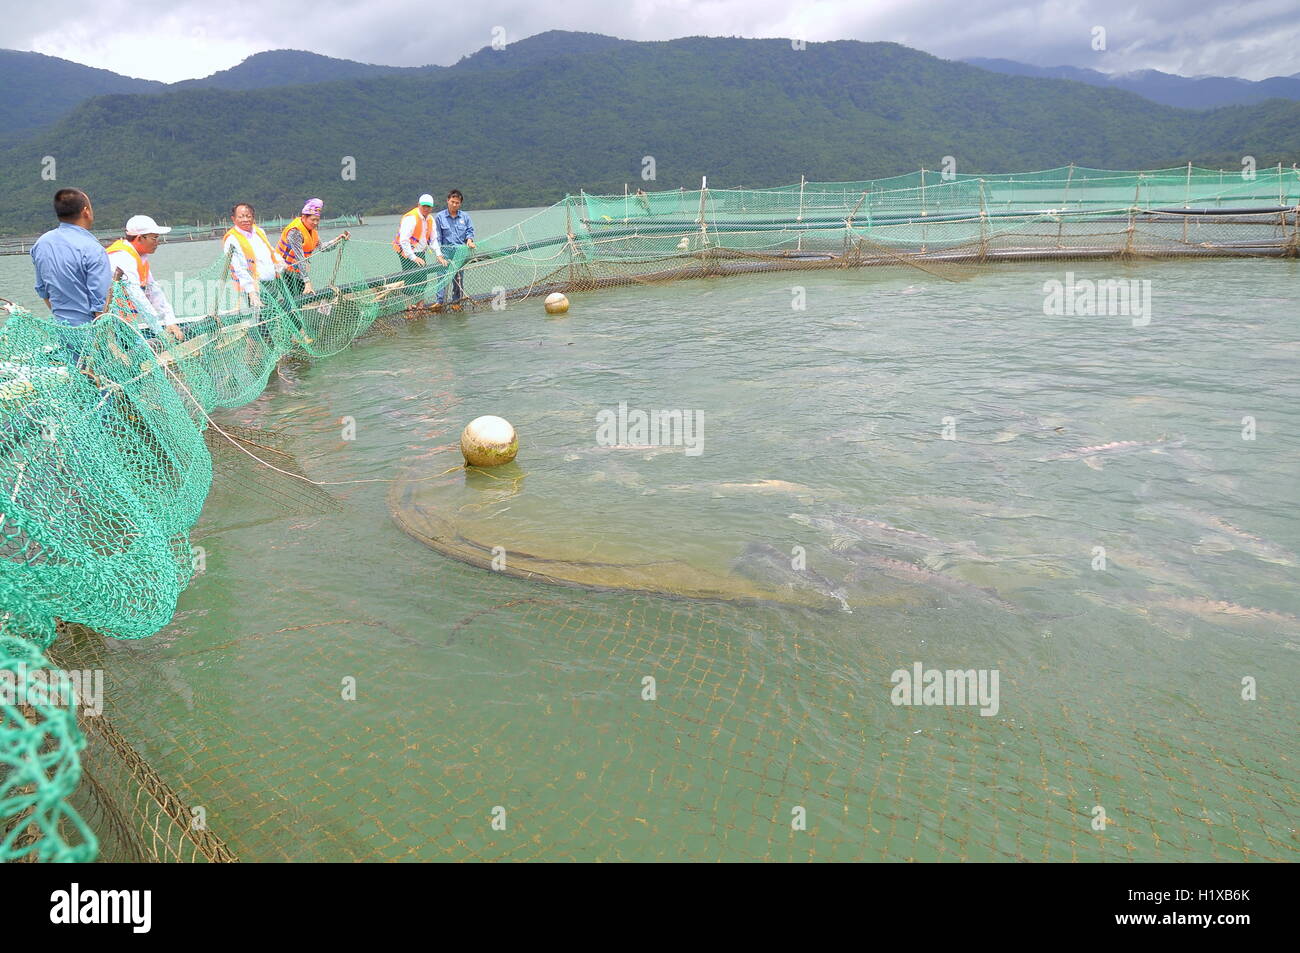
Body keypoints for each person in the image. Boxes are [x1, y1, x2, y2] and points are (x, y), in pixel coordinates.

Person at [30, 188, 111, 328]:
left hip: (61, 329)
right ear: (86, 211)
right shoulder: (93, 249)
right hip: (90, 331)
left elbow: (43, 291)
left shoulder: (42, 243)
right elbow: (101, 305)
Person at [106, 215, 184, 342]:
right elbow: (137, 297)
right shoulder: (122, 257)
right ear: (139, 238)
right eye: (154, 238)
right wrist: (159, 331)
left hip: (124, 322)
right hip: (107, 324)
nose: (157, 242)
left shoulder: (140, 258)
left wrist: (170, 321)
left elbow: (154, 291)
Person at [277, 198, 350, 297]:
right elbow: (300, 258)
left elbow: (322, 247)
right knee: (293, 301)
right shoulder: (295, 231)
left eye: (317, 220)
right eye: (312, 220)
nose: (315, 223)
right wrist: (307, 282)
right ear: (304, 217)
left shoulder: (312, 231)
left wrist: (337, 240)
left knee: (301, 300)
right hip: (283, 272)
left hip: (297, 273)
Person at [222, 202, 286, 311]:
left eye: (248, 216)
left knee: (273, 310)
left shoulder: (259, 232)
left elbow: (270, 250)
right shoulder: (231, 239)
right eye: (241, 217)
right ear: (233, 219)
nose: (245, 220)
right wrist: (251, 292)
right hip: (252, 286)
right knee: (260, 316)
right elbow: (238, 268)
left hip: (270, 281)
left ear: (253, 217)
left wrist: (280, 262)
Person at [391, 194, 439, 309]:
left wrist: (439, 254)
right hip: (406, 251)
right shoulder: (411, 218)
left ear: (432, 207)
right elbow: (403, 240)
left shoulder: (430, 219)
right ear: (419, 205)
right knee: (411, 278)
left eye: (428, 206)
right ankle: (409, 305)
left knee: (422, 278)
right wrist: (413, 257)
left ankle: (419, 305)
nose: (426, 209)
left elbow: (433, 239)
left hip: (420, 251)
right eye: (424, 206)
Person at [433, 189, 476, 312]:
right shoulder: (440, 217)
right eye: (452, 202)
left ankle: (456, 301)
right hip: (445, 252)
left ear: (460, 204)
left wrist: (469, 240)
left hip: (460, 252)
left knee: (458, 278)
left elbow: (470, 231)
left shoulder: (465, 216)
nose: (454, 204)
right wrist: (438, 254)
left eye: (457, 203)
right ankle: (439, 302)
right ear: (448, 201)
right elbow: (437, 237)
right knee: (442, 277)